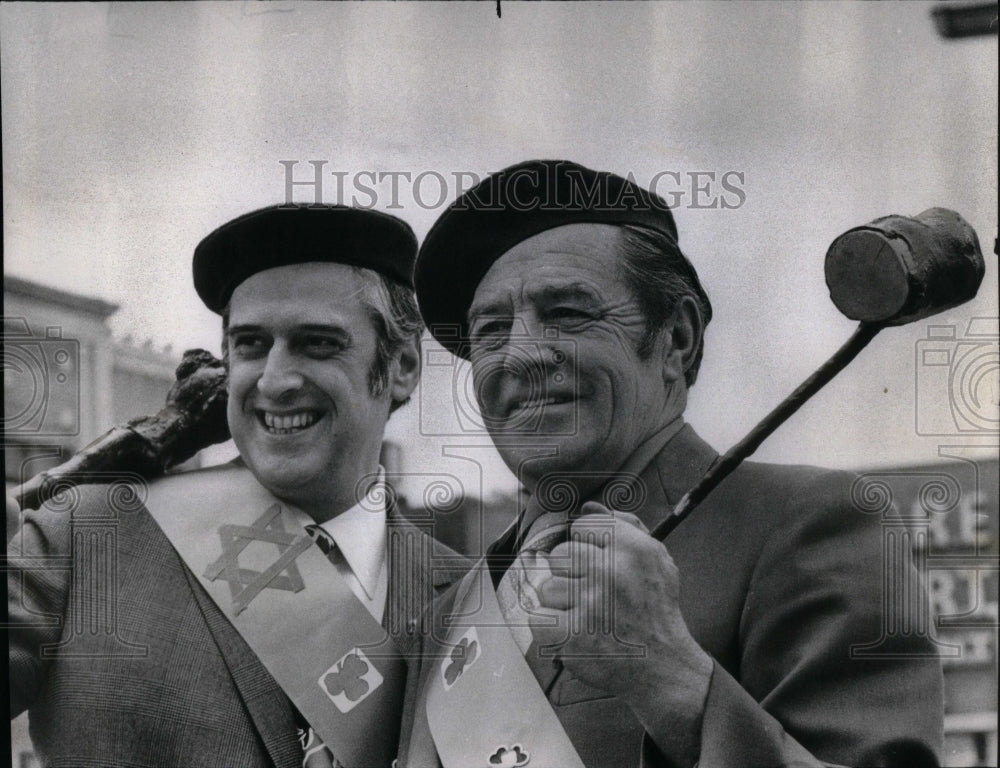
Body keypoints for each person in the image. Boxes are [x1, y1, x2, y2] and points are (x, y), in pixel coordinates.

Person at [397, 160, 944, 768]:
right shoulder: (448, 617)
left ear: (676, 339)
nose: (520, 355)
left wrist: (671, 678)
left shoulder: (809, 524)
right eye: (491, 331)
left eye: (568, 314)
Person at [8, 204, 466, 768]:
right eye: (250, 345)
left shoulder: (476, 602)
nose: (273, 380)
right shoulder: (81, 536)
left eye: (317, 343)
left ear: (402, 365)